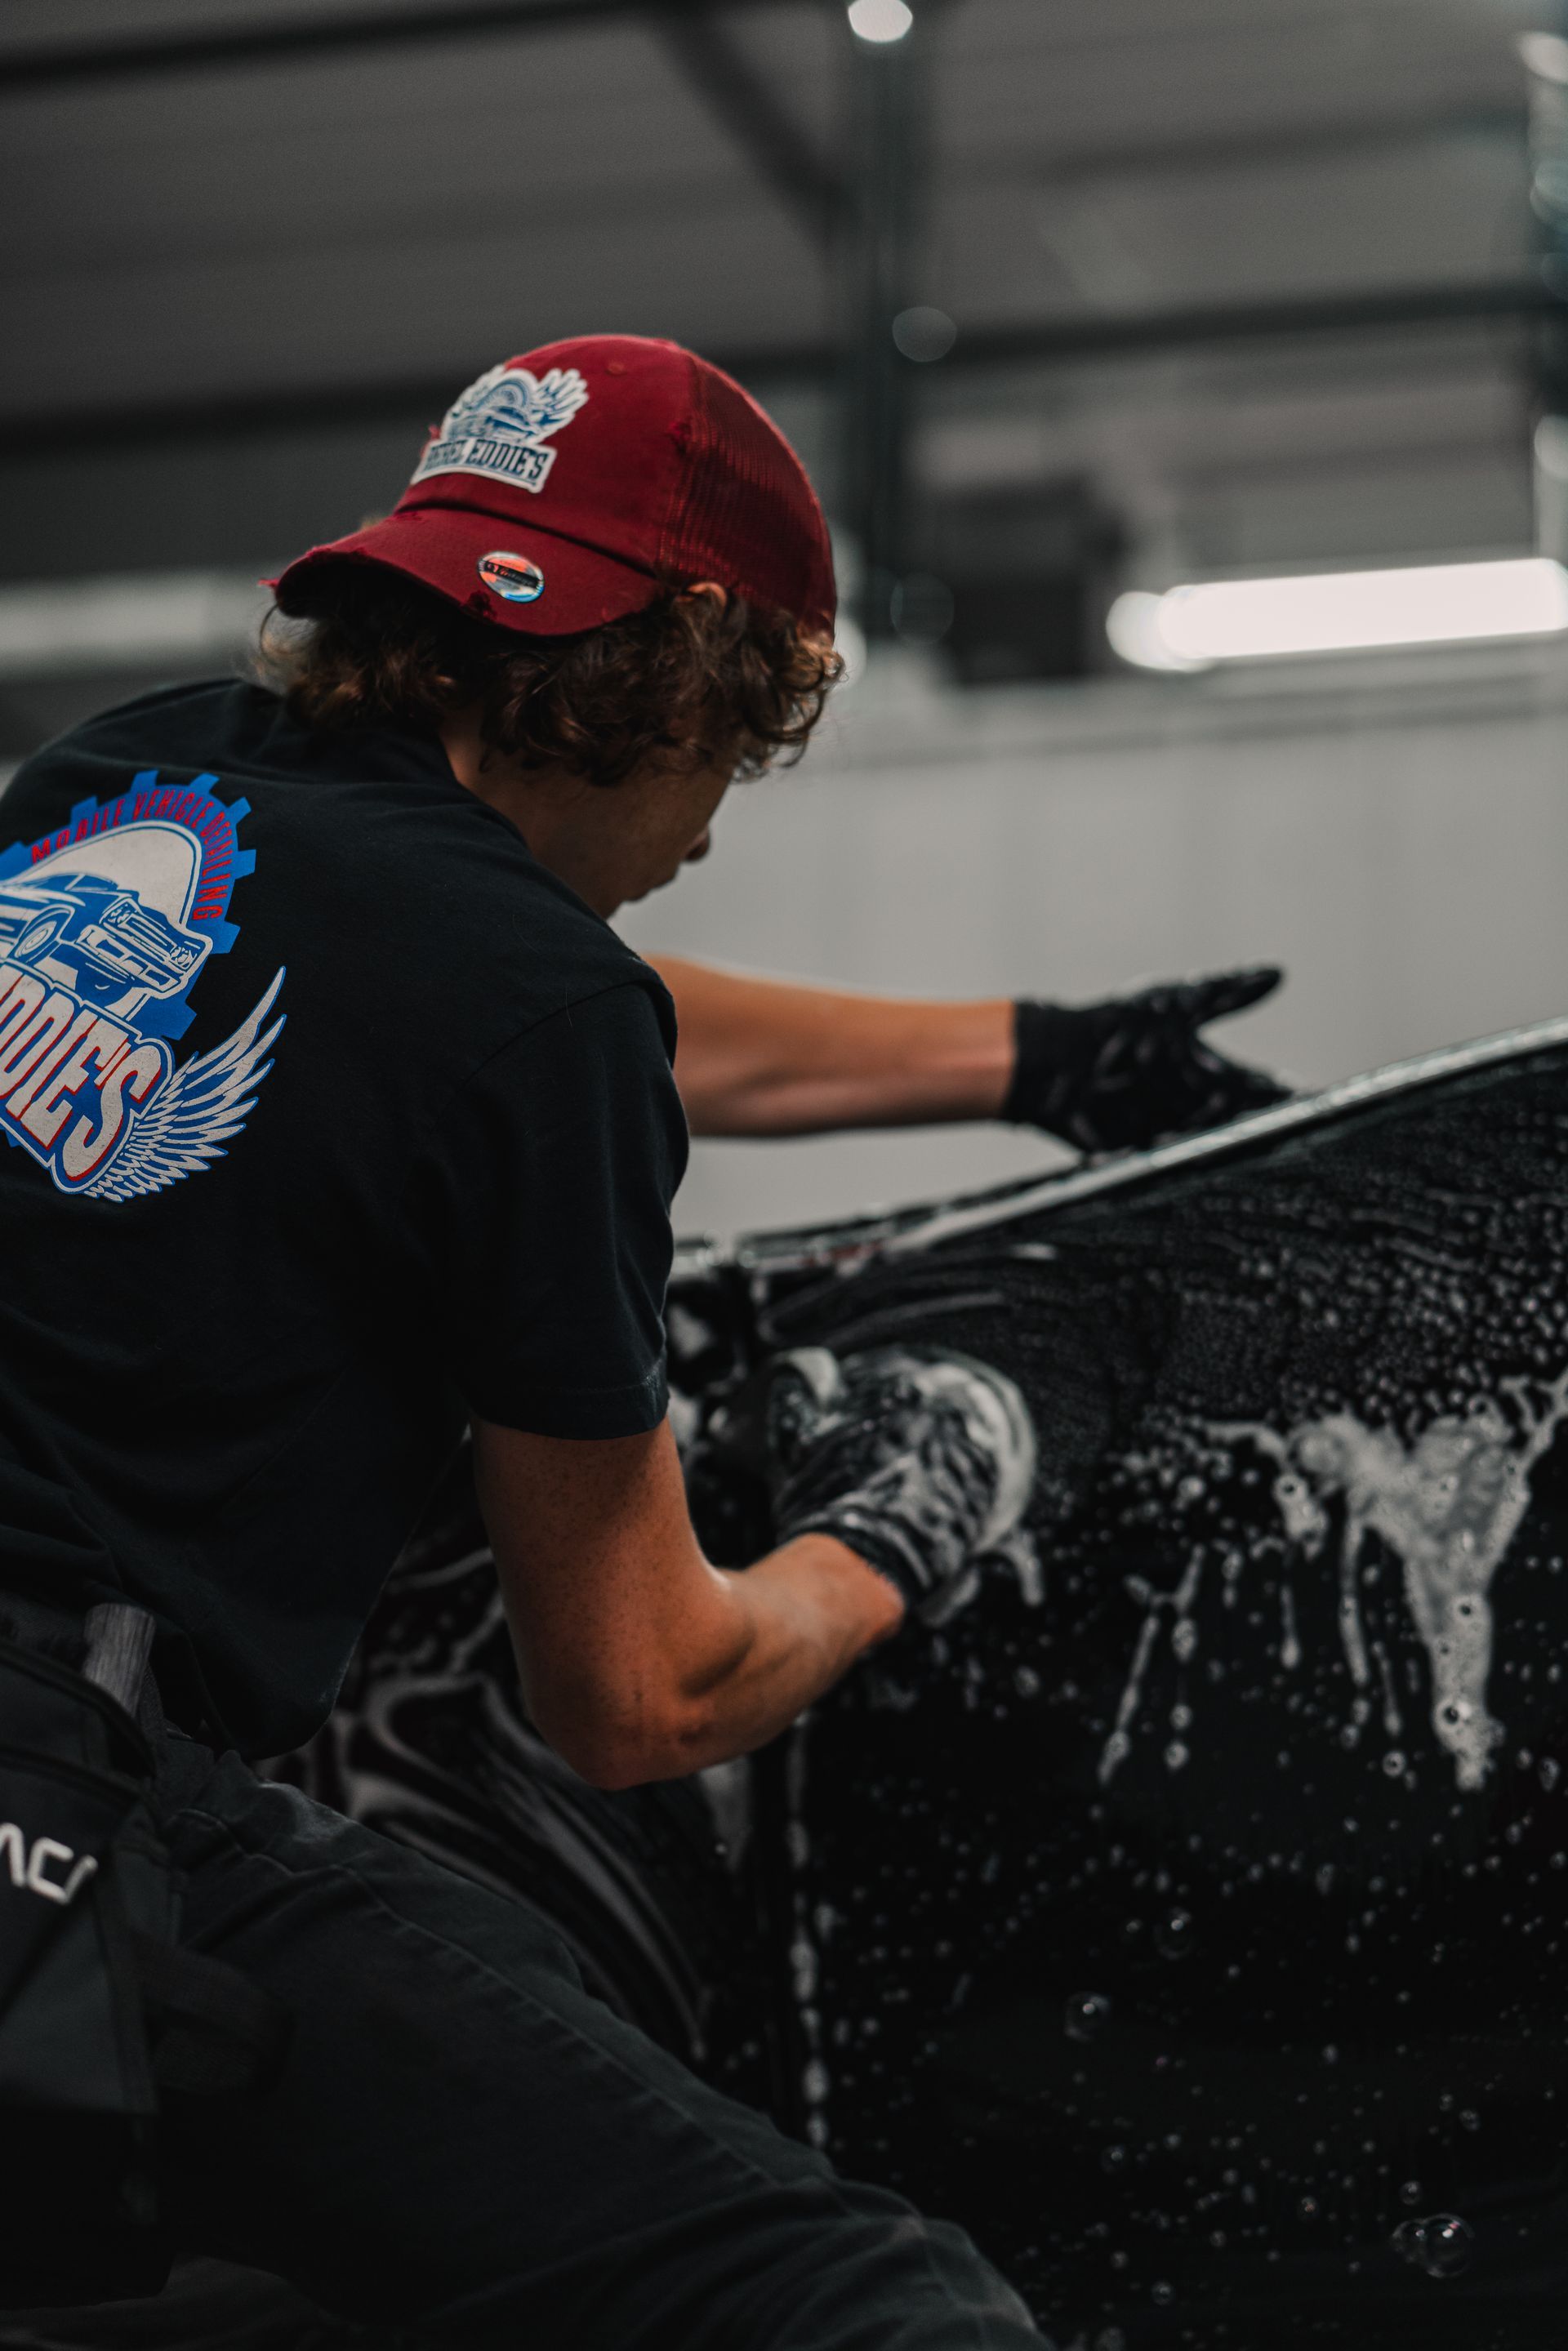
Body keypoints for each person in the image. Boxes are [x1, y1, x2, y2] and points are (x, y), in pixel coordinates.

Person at [0, 332, 1281, 2347]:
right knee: (865, 2305)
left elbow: (483, 1000)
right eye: (735, 752)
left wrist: (1037, 1058)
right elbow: (641, 1694)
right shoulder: (528, 1004)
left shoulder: (122, 778)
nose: (707, 822)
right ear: (685, 676)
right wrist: (911, 1514)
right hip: (54, 1805)